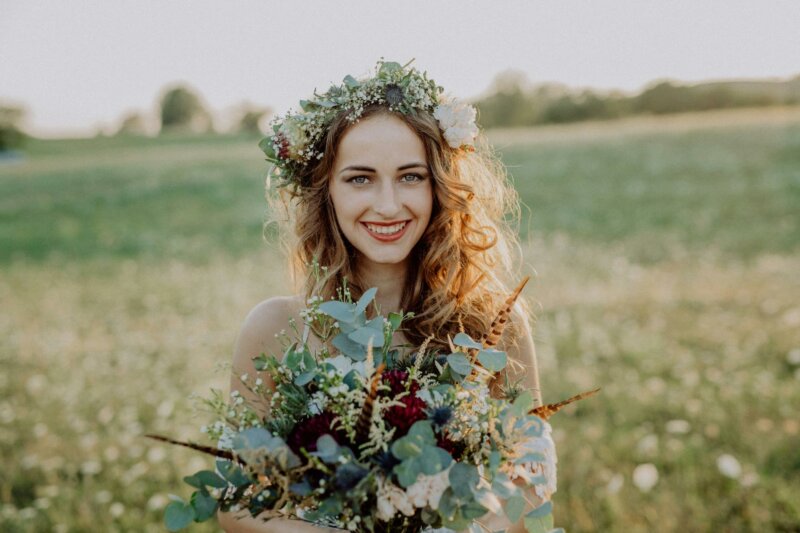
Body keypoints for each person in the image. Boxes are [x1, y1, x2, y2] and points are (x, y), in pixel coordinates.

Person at [217, 60, 549, 533]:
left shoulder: (493, 320)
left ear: (440, 187)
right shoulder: (275, 329)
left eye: (411, 176)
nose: (389, 205)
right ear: (325, 191)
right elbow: (238, 498)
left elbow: (531, 476)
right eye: (360, 178)